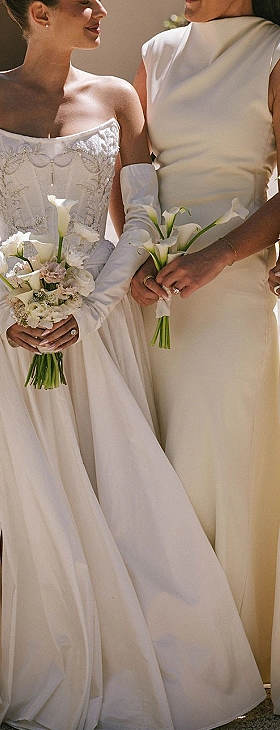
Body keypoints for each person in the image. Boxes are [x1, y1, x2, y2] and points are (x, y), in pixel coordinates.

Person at [0, 0, 265, 730]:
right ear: (37, 12)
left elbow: (144, 219)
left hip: (97, 321)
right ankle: (38, 651)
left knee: (120, 483)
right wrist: (7, 308)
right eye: (83, 2)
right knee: (24, 487)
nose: (100, 11)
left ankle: (144, 648)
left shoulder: (120, 97)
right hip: (10, 329)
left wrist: (88, 310)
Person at [128, 0, 280, 685]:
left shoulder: (273, 52)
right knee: (162, 457)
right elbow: (133, 175)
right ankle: (181, 648)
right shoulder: (158, 54)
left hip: (232, 281)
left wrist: (216, 258)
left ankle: (236, 651)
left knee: (220, 452)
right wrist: (135, 256)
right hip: (159, 288)